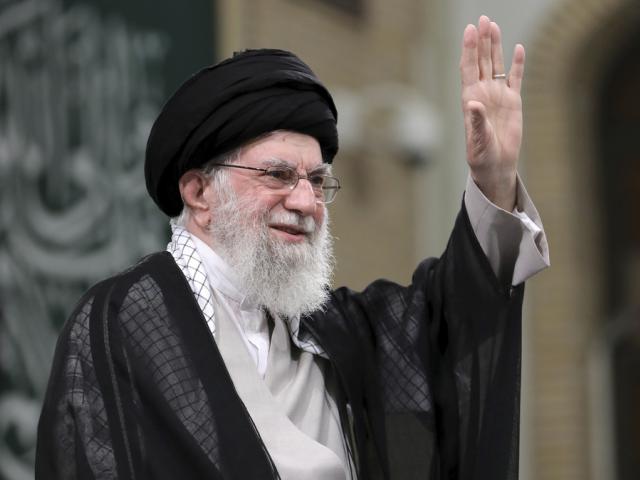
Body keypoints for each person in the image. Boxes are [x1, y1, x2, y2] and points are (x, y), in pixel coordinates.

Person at [35, 15, 549, 480]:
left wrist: (493, 178)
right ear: (198, 193)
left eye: (318, 180)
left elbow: (455, 313)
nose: (306, 201)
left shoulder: (336, 332)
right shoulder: (125, 322)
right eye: (278, 175)